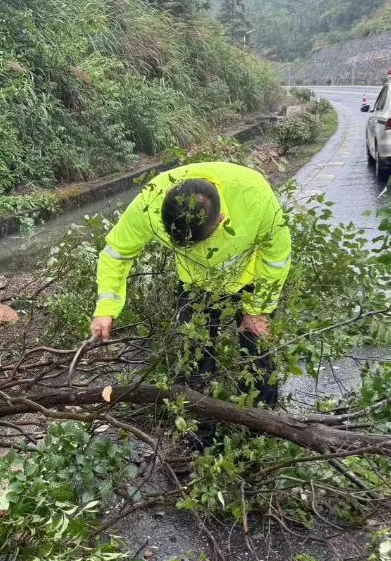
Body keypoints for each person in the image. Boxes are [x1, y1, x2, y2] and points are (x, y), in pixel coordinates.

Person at [90, 161, 292, 445]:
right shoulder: (151, 201)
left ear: (220, 219)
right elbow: (116, 252)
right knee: (193, 364)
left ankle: (262, 436)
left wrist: (258, 309)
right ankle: (200, 442)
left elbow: (277, 254)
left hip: (249, 282)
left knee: (259, 358)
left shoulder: (254, 194)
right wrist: (106, 310)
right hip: (195, 286)